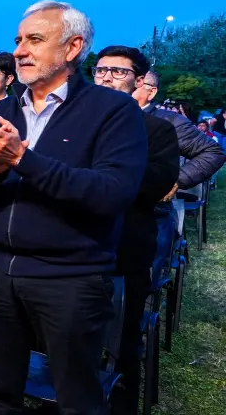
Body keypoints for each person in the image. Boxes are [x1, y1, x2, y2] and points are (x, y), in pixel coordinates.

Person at [0, 0, 149, 414]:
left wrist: (24, 159)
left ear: (73, 47)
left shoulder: (112, 111)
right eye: (18, 40)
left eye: (35, 40)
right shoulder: (1, 111)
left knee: (76, 398)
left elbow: (111, 192)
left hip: (69, 279)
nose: (20, 51)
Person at [92, 45, 180, 415]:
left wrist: (101, 175)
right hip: (73, 248)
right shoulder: (77, 121)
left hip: (125, 249)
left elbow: (154, 182)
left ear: (139, 80)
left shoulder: (157, 129)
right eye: (100, 70)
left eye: (118, 71)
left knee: (121, 343)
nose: (107, 77)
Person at [133, 70, 226, 194]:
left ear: (151, 91)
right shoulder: (102, 114)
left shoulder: (169, 121)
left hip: (143, 205)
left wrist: (175, 181)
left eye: (134, 84)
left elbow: (213, 152)